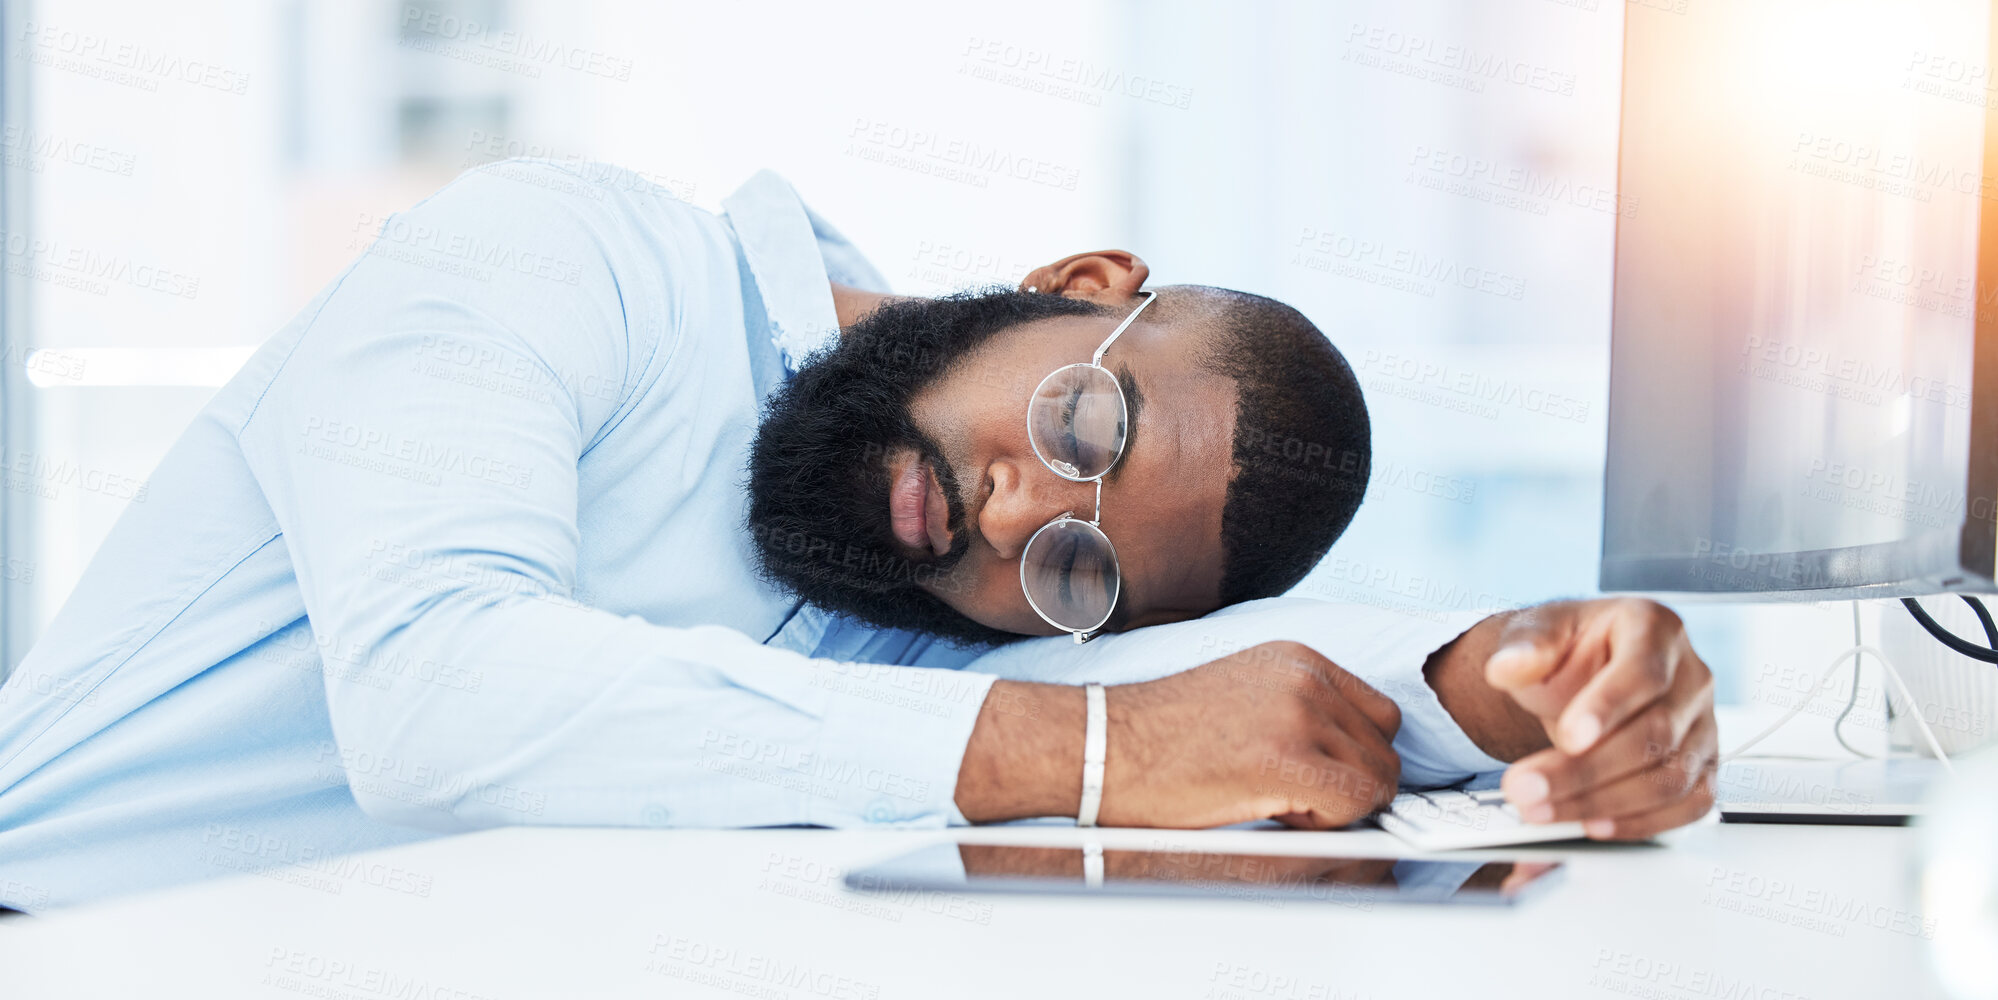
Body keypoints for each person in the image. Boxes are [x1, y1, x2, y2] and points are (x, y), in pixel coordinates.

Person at [0, 159, 1715, 912]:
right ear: (1076, 287)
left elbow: (1240, 691)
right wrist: (1099, 743)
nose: (1025, 513)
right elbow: (435, 698)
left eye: (1081, 567)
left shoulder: (901, 617)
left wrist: (1517, 682)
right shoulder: (568, 255)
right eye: (1084, 426)